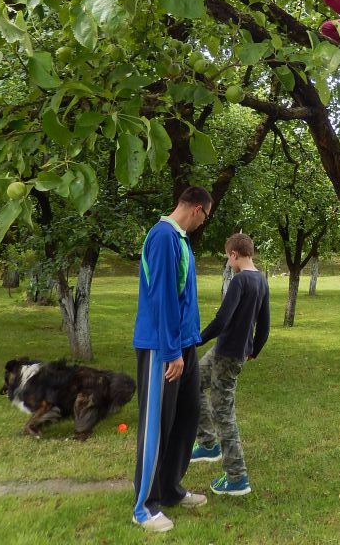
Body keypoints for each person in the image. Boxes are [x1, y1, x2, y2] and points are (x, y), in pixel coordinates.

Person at [132, 186, 213, 533]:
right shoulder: (164, 236)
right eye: (206, 217)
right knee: (156, 425)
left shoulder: (179, 239)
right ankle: (144, 507)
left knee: (186, 416)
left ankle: (169, 489)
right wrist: (171, 352)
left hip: (185, 344)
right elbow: (163, 297)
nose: (203, 223)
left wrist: (185, 347)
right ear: (197, 209)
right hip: (163, 347)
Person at [190, 232, 270, 497]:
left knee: (222, 411)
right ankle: (207, 443)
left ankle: (237, 477)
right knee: (192, 382)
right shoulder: (261, 280)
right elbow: (265, 324)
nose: (228, 263)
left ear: (234, 254)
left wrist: (195, 340)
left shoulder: (240, 281)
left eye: (228, 258)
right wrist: (255, 349)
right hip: (226, 350)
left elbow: (222, 320)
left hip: (229, 355)